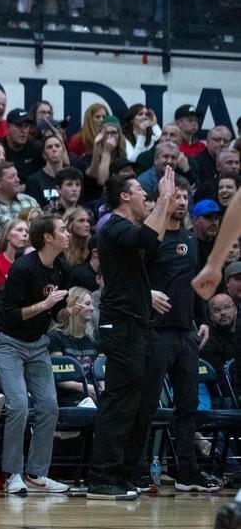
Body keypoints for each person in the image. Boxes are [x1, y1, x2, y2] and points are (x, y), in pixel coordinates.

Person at [87, 167, 175, 500]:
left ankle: (125, 472)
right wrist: (164, 199)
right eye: (140, 190)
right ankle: (102, 478)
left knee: (144, 400)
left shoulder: (129, 229)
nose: (145, 195)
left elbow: (153, 242)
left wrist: (163, 206)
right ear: (125, 197)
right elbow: (147, 238)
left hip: (138, 323)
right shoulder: (112, 226)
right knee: (121, 402)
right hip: (120, 324)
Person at [138, 177, 221, 493]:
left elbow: (196, 282)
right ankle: (139, 470)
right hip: (156, 332)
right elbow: (131, 279)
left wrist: (203, 319)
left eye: (186, 197)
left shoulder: (191, 238)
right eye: (176, 196)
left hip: (187, 333)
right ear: (163, 200)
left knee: (188, 406)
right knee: (147, 405)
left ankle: (188, 472)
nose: (182, 202)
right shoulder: (150, 239)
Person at [0, 215, 75, 496]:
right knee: (18, 406)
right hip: (8, 341)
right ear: (47, 237)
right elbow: (10, 315)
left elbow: (54, 313)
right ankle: (13, 473)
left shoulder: (61, 268)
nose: (67, 233)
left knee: (49, 407)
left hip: (37, 343)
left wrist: (63, 313)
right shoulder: (23, 268)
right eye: (62, 229)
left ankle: (37, 473)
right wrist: (45, 304)